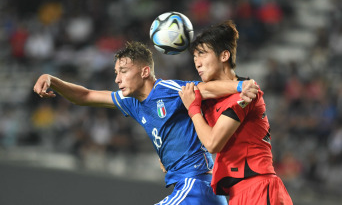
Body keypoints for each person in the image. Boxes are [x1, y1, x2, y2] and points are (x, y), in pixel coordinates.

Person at [33, 41, 259, 204]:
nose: (117, 78)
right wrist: (53, 80)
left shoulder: (168, 91)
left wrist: (240, 86)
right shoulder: (131, 102)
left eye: (123, 71)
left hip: (197, 185)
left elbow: (206, 89)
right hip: (196, 190)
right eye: (115, 72)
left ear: (144, 71)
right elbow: (85, 96)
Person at [179, 21, 293, 204]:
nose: (197, 62)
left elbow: (212, 143)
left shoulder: (247, 94)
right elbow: (199, 91)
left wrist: (193, 109)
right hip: (237, 195)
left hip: (259, 189)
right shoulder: (212, 97)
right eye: (194, 57)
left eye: (202, 54)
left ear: (224, 55)